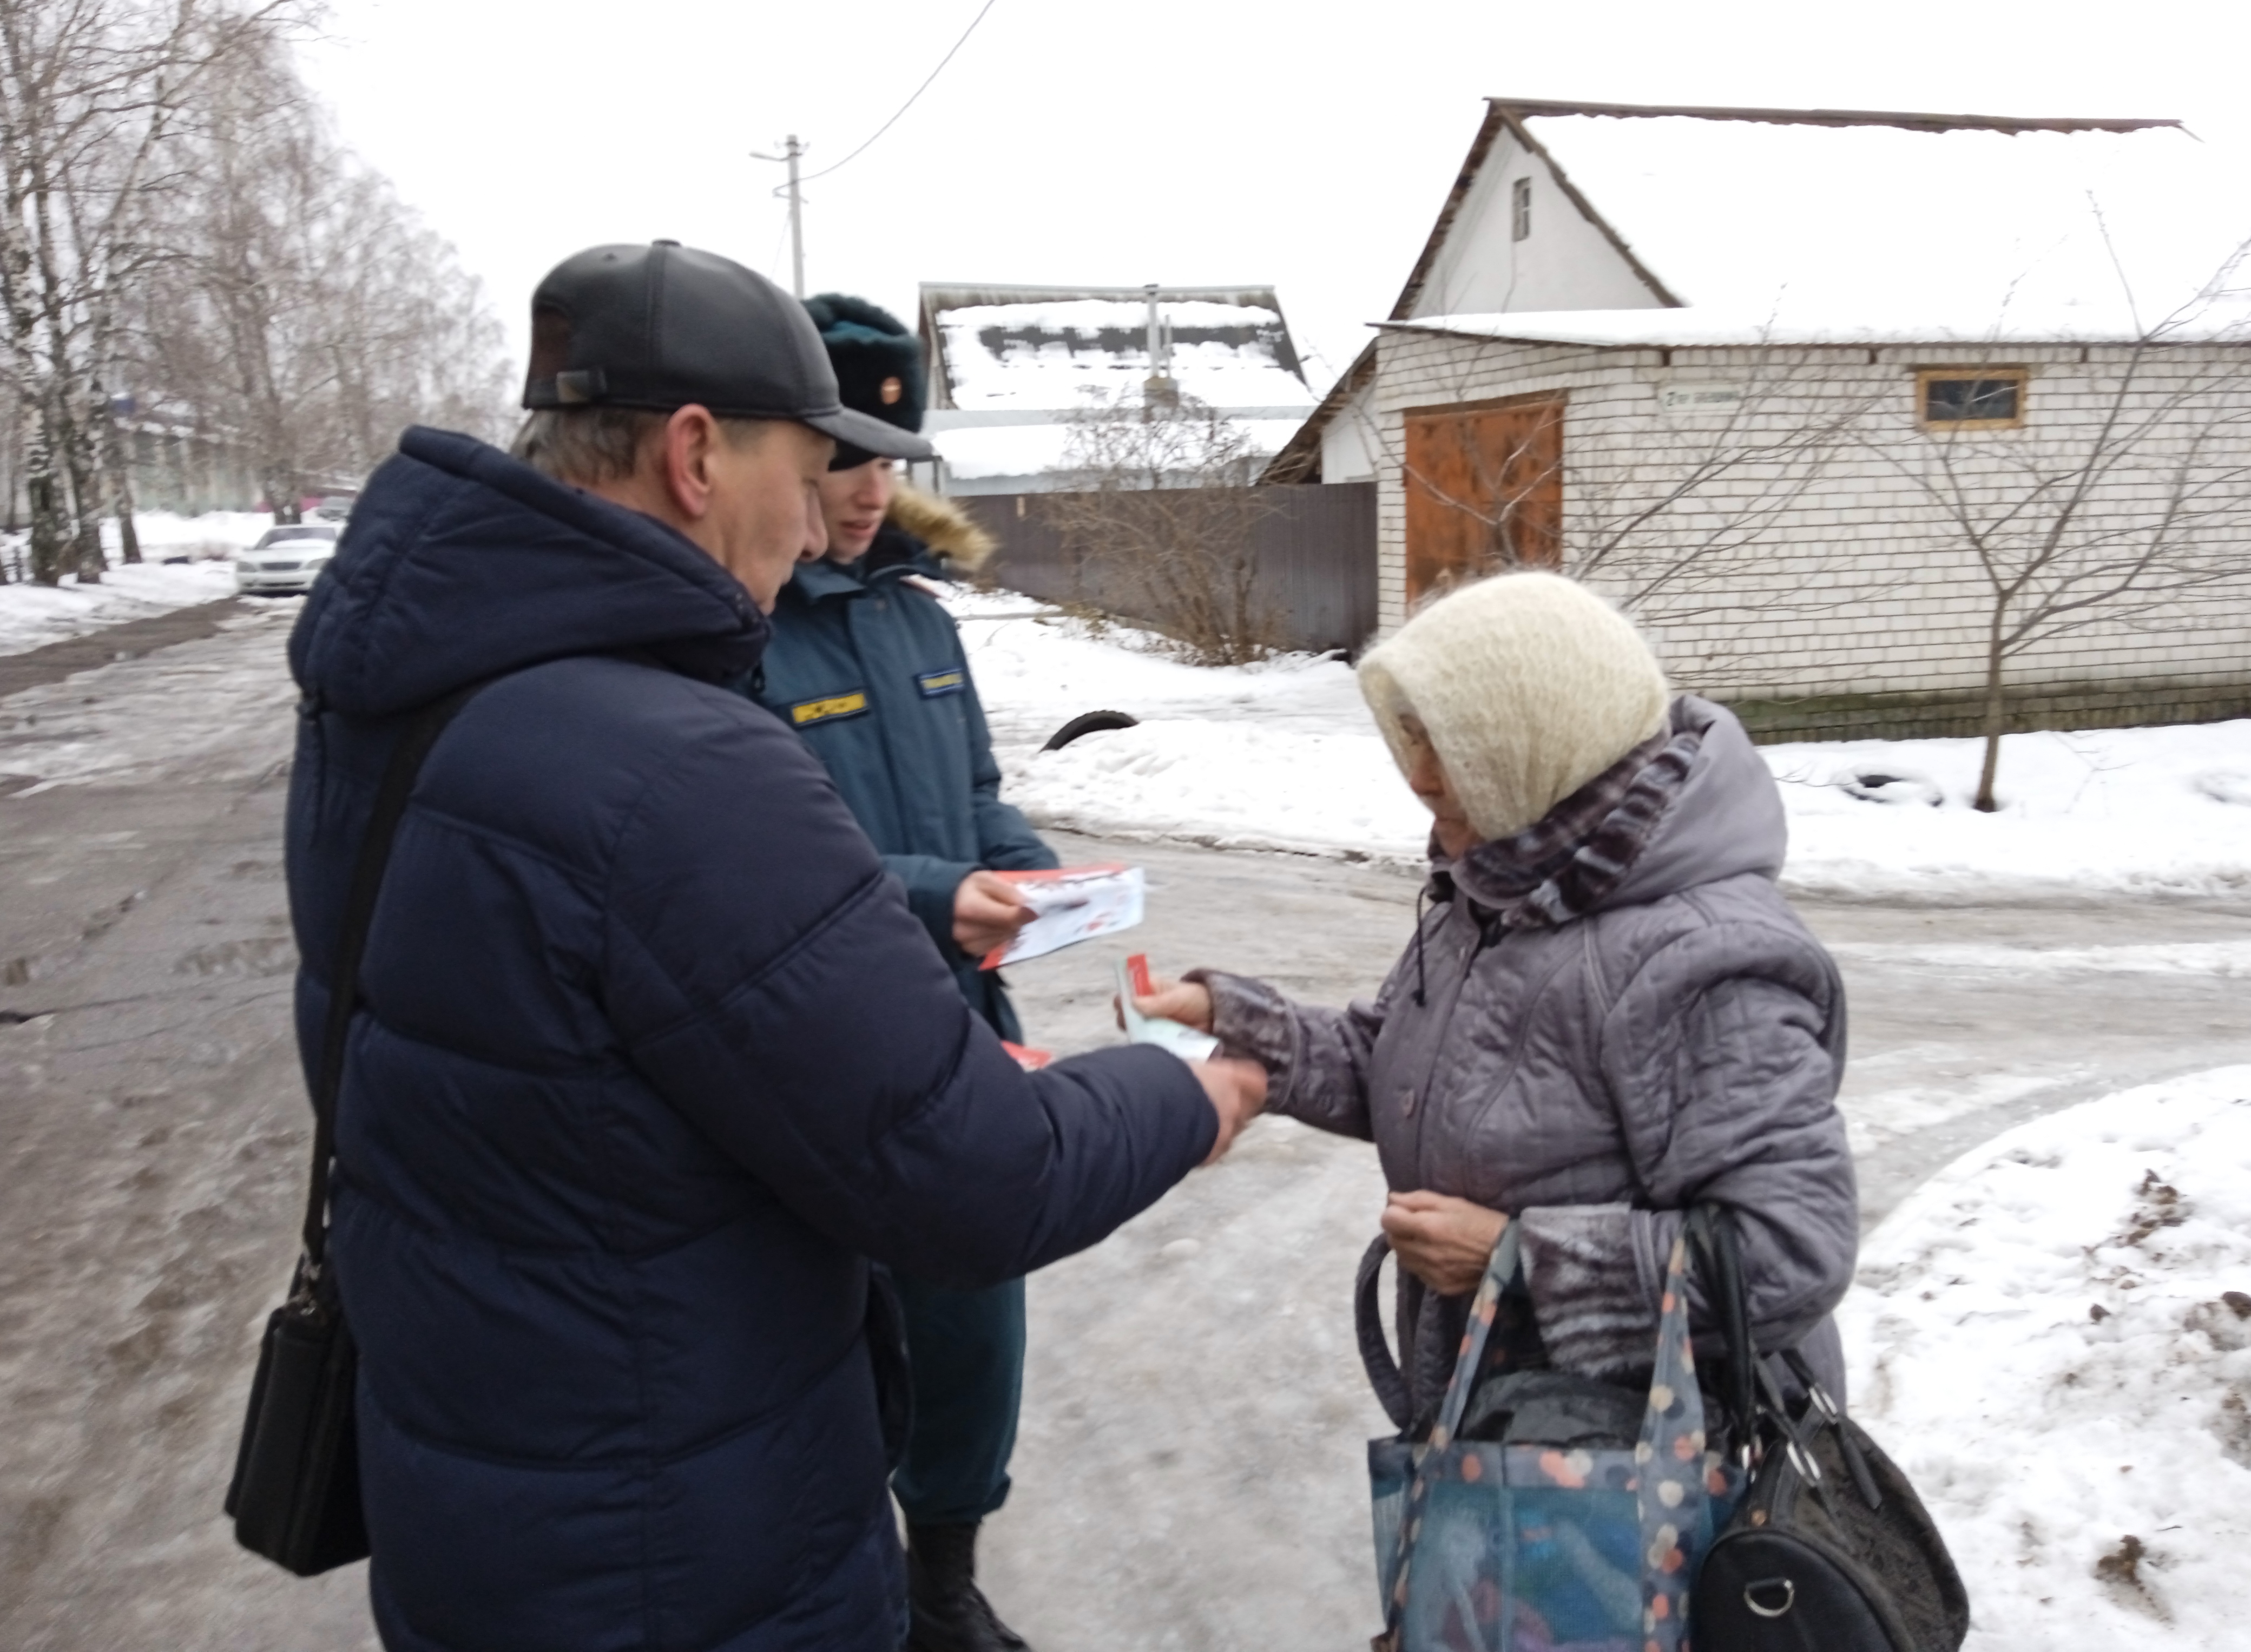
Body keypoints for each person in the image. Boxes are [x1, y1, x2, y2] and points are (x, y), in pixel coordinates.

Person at [282, 240, 1266, 1652]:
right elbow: (981, 1180)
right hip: (680, 1546)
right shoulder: (669, 758)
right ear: (696, 455)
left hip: (482, 1489)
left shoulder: (399, 701)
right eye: (805, 477)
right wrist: (1193, 1086)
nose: (819, 528)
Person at [1135, 571, 1858, 1436]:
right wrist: (1239, 1025)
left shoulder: (1703, 958)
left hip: (1654, 1481)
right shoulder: (1508, 881)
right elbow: (1415, 1071)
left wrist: (1519, 1259)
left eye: (1452, 744)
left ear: (1541, 741)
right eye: (1410, 738)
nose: (1422, 777)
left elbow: (1789, 1252)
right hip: (1519, 1439)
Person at [740, 293, 1046, 1652]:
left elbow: (975, 799)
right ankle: (844, 1586)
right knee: (810, 1342)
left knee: (973, 1324)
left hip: (958, 1029)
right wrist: (944, 898)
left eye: (891, 459)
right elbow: (764, 863)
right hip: (809, 1051)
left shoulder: (923, 623)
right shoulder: (737, 626)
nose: (871, 491)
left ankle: (940, 1582)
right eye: (846, 456)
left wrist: (1034, 874)